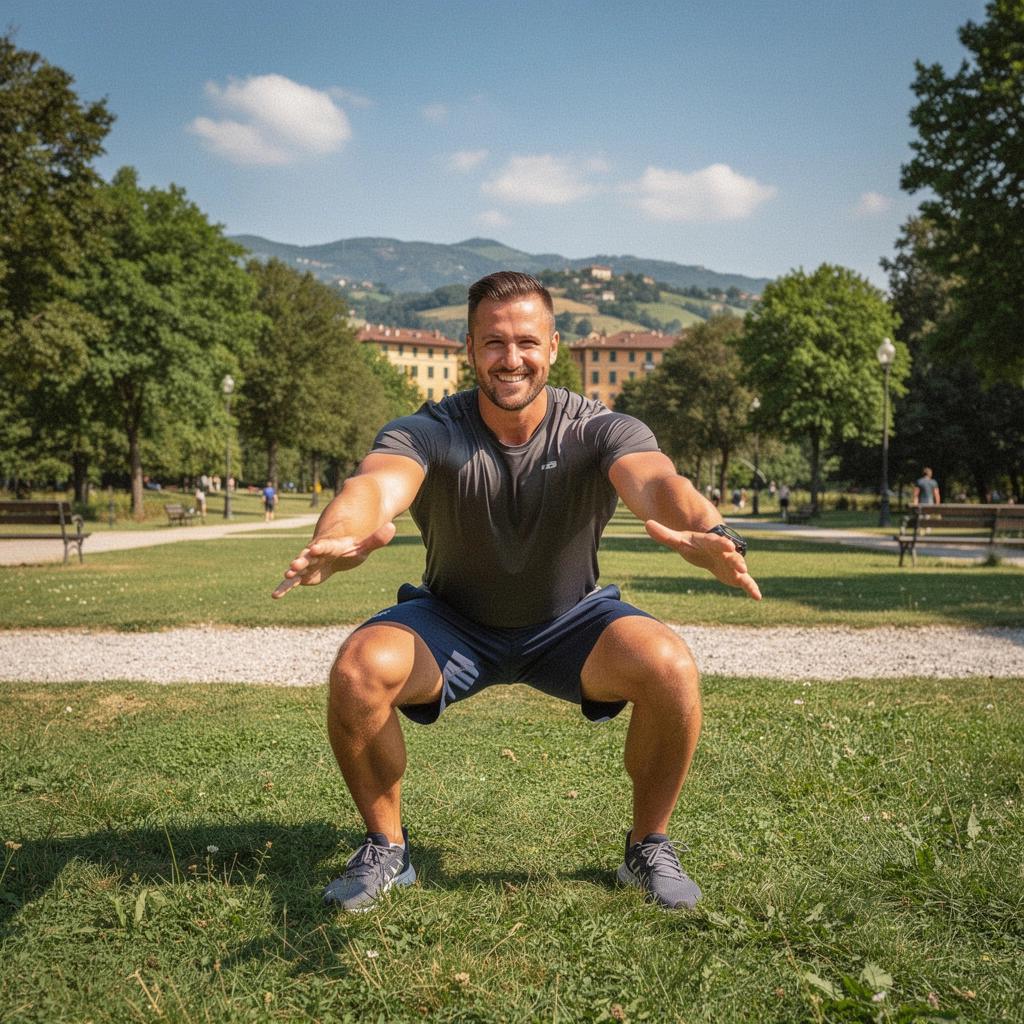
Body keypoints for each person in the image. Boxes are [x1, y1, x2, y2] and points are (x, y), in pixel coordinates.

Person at [273, 271, 761, 913]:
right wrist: (338, 535)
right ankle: (387, 849)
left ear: (554, 347)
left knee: (669, 666)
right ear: (469, 349)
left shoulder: (598, 427)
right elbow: (374, 486)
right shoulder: (430, 430)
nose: (511, 359)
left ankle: (648, 845)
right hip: (450, 622)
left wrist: (711, 530)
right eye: (494, 343)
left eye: (527, 342)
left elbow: (659, 481)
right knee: (360, 669)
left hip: (571, 625)